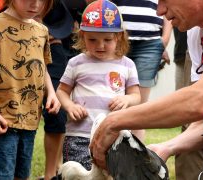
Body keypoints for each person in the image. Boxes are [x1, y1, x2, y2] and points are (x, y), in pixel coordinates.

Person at [90, 0, 203, 171]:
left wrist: (113, 121)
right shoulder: (198, 35)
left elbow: (201, 100)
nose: (159, 11)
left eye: (163, 0)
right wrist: (167, 147)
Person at [56, 0, 141, 171]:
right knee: (78, 174)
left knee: (110, 174)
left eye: (107, 40)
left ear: (119, 36)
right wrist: (70, 106)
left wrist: (127, 99)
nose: (100, 45)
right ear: (82, 35)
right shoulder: (76, 63)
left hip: (114, 135)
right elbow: (62, 91)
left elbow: (136, 96)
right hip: (79, 135)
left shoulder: (127, 65)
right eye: (92, 39)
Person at [0, 0, 61, 179]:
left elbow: (41, 65)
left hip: (30, 121)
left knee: (22, 175)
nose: (35, 5)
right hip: (1, 120)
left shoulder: (42, 30)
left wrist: (51, 93)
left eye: (42, 0)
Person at [111, 0, 172, 141]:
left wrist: (165, 39)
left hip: (150, 43)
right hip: (116, 39)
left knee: (139, 107)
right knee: (112, 99)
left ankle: (135, 159)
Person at [39, 1, 86, 179]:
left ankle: (58, 168)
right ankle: (50, 174)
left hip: (74, 40)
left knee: (66, 112)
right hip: (51, 41)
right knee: (55, 113)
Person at [171, 27, 203, 180]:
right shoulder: (194, 33)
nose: (160, 11)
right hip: (192, 44)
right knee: (192, 123)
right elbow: (196, 105)